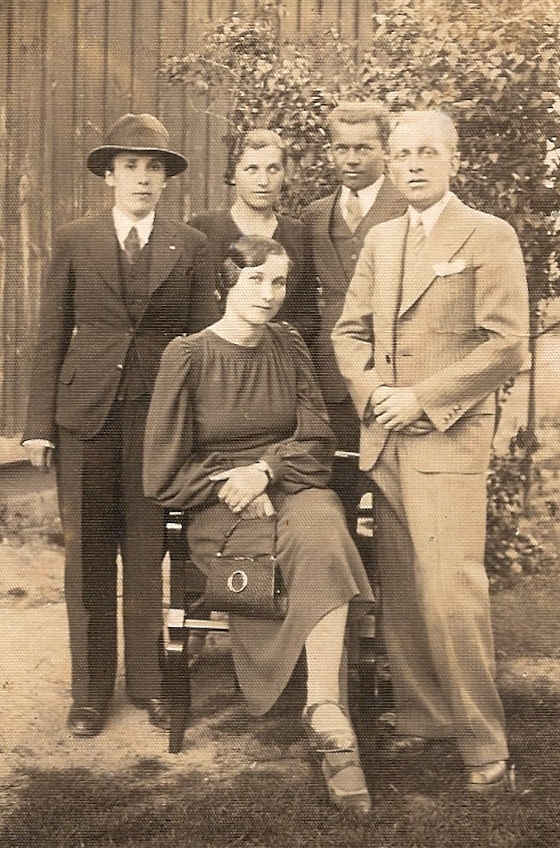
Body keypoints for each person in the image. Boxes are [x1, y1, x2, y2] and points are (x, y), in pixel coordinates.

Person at [332, 109, 529, 793]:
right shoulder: (383, 239)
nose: (413, 164)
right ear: (389, 164)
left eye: (427, 152)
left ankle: (487, 752)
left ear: (453, 160)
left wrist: (422, 397)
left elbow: (507, 343)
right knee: (406, 593)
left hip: (444, 439)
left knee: (450, 593)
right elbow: (348, 331)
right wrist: (375, 393)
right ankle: (424, 719)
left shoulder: (488, 234)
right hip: (385, 438)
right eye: (402, 154)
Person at [143, 235, 375, 814]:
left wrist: (265, 471)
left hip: (288, 484)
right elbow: (161, 472)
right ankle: (337, 739)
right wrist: (235, 485)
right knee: (295, 549)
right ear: (227, 283)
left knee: (324, 532)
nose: (269, 295)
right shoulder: (188, 355)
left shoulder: (290, 344)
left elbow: (317, 437)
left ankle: (324, 706)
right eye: (255, 281)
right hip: (217, 504)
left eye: (278, 282)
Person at [23, 113, 218, 739]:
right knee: (86, 558)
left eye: (154, 167)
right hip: (84, 419)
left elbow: (202, 344)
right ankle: (88, 695)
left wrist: (197, 428)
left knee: (145, 556)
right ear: (109, 175)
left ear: (167, 180)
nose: (143, 177)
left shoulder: (189, 246)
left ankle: (148, 685)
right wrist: (38, 425)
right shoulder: (75, 240)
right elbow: (50, 335)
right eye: (130, 165)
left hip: (157, 424)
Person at [302, 101, 406, 456]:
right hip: (330, 377)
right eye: (341, 148)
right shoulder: (314, 215)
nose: (351, 159)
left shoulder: (408, 207)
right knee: (336, 487)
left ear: (385, 151)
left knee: (393, 494)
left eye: (364, 148)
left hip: (394, 376)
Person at [190, 128, 319, 348]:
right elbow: (188, 310)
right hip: (214, 360)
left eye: (273, 169)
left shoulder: (297, 235)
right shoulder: (203, 230)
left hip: (278, 361)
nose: (263, 181)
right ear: (233, 174)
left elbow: (307, 316)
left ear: (284, 174)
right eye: (252, 169)